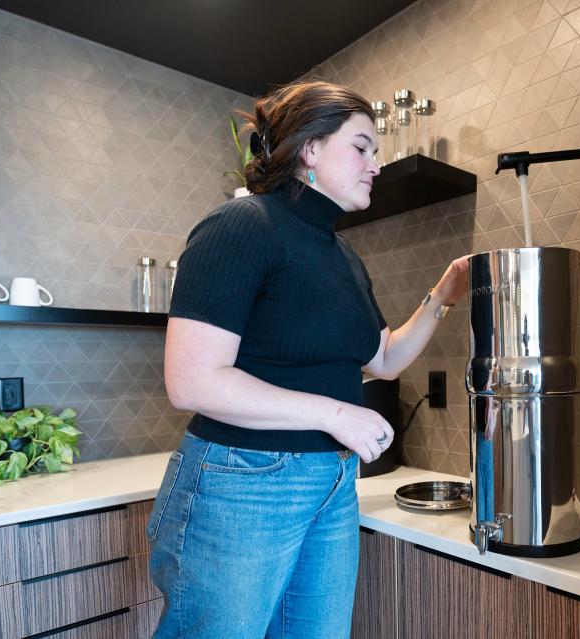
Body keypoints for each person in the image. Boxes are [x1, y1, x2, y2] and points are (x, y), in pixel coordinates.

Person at [146, 80, 469, 639]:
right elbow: (191, 380)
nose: (376, 162)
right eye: (362, 146)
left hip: (332, 478)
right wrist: (336, 413)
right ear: (310, 149)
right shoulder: (241, 226)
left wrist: (441, 296)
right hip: (242, 481)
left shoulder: (342, 252)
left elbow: (385, 359)